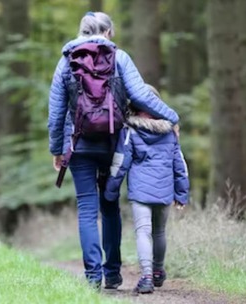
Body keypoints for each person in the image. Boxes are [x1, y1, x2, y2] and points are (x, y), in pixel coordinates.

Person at [48, 12, 179, 289]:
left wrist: (57, 149)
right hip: (113, 143)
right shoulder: (120, 58)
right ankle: (113, 273)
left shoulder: (65, 61)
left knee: (86, 209)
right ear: (107, 32)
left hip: (79, 144)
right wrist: (172, 117)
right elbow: (142, 95)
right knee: (110, 207)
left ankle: (93, 278)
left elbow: (56, 112)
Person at [104, 86, 190, 294]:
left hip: (141, 192)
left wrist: (111, 190)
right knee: (159, 232)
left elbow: (120, 162)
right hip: (164, 190)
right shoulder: (170, 132)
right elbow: (180, 164)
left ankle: (147, 276)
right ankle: (159, 270)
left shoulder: (130, 130)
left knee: (143, 232)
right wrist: (182, 193)